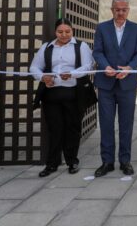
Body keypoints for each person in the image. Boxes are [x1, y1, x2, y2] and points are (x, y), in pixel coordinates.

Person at [30, 18, 94, 177]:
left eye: (67, 31)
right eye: (60, 32)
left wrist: (72, 74)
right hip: (51, 94)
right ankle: (52, 163)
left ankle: (72, 161)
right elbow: (34, 67)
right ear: (55, 32)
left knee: (73, 128)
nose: (64, 35)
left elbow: (88, 65)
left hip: (73, 93)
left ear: (72, 31)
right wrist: (42, 76)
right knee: (55, 129)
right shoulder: (46, 47)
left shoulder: (81, 46)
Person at [93, 0, 137, 177]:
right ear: (111, 10)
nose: (120, 13)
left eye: (124, 9)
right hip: (106, 84)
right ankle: (107, 162)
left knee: (126, 124)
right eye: (117, 9)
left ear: (128, 10)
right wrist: (105, 66)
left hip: (127, 84)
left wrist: (130, 68)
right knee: (106, 124)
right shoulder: (102, 28)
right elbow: (97, 51)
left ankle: (125, 161)